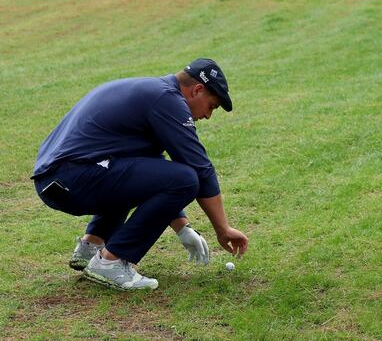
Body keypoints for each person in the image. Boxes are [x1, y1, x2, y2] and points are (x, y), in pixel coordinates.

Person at [32, 58, 249, 291]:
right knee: (187, 178)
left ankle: (93, 245)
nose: (208, 116)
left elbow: (149, 174)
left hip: (56, 179)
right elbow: (200, 169)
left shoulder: (150, 91)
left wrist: (182, 227)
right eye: (212, 106)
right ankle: (112, 261)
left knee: (142, 173)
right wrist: (222, 229)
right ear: (197, 90)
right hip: (71, 179)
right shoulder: (167, 100)